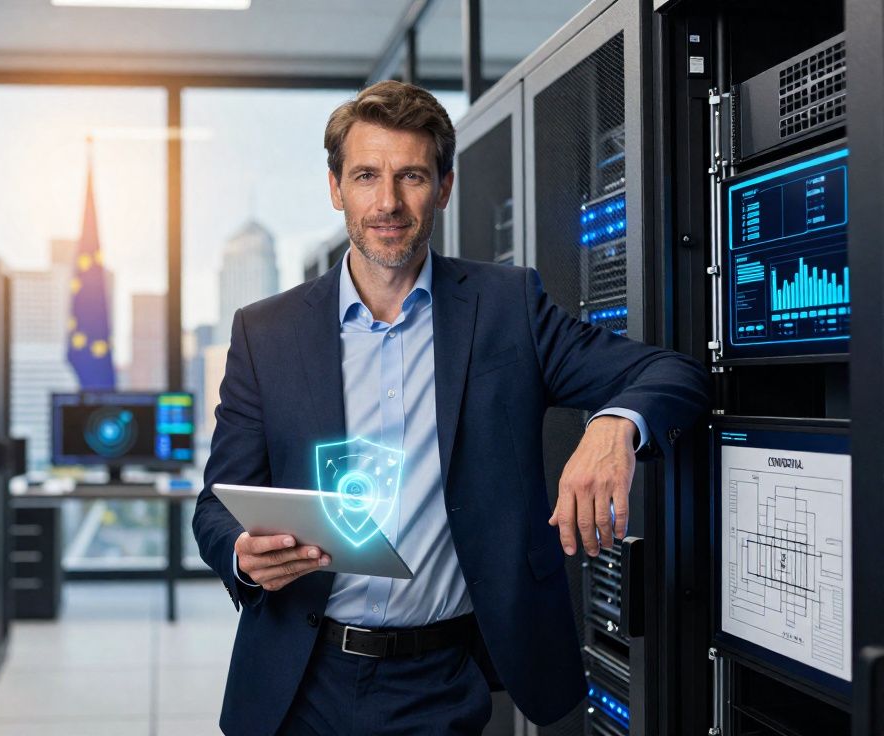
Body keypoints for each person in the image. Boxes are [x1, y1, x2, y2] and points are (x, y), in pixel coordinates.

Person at [191, 80, 709, 736]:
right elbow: (215, 505)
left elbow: (675, 374)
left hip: (440, 679)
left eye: (411, 176)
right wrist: (242, 554)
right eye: (366, 176)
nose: (388, 201)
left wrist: (613, 425)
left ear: (443, 187)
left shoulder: (506, 309)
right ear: (336, 189)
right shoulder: (266, 332)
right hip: (300, 675)